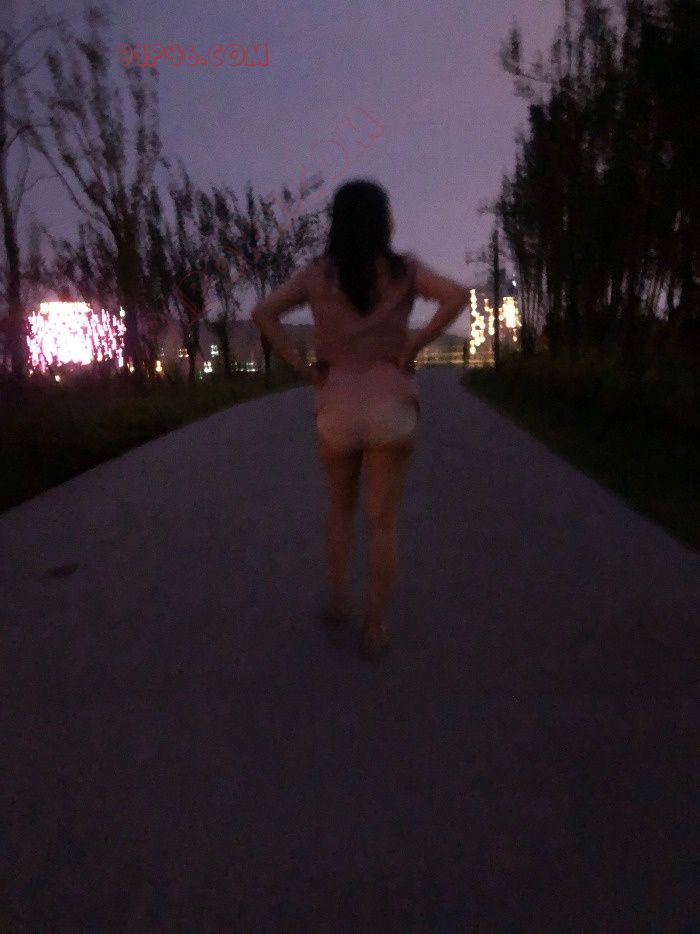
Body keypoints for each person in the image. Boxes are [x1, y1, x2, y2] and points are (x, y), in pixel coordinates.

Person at [251, 179, 470, 660]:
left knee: (340, 509)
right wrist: (413, 346)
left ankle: (338, 599)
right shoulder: (406, 270)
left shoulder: (317, 274)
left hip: (336, 407)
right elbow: (457, 296)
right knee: (383, 522)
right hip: (392, 405)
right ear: (381, 221)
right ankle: (375, 627)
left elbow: (263, 312)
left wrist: (302, 368)